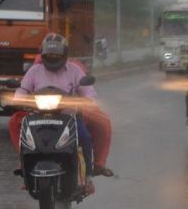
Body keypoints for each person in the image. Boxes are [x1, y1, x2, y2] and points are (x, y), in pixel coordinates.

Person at [8, 33, 114, 193]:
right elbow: (22, 90)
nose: (52, 58)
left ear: (65, 55)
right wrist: (18, 100)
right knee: (20, 129)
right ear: (42, 54)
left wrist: (85, 102)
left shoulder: (75, 70)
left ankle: (89, 178)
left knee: (84, 137)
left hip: (68, 115)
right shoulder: (34, 71)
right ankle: (25, 168)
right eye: (49, 55)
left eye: (56, 55)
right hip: (39, 115)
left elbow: (88, 92)